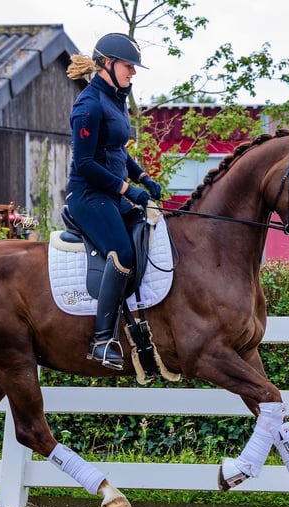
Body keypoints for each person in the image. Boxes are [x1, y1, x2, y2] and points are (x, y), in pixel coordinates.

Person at [65, 32, 163, 370]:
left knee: (146, 233)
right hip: (88, 195)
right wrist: (126, 189)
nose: (133, 72)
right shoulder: (88, 105)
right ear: (107, 64)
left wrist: (143, 178)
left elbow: (118, 150)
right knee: (121, 253)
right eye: (128, 66)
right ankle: (102, 339)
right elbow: (86, 164)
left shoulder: (116, 99)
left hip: (112, 192)